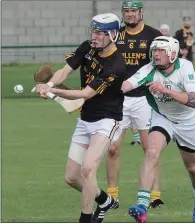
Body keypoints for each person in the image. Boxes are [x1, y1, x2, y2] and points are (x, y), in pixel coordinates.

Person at [35, 13, 127, 223]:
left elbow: (86, 93)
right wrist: (49, 85)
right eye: (93, 31)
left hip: (107, 120)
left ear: (113, 35)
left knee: (87, 170)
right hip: (86, 119)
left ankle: (86, 219)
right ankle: (104, 200)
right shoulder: (87, 47)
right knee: (72, 177)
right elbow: (65, 71)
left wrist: (53, 93)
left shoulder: (116, 65)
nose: (94, 37)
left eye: (100, 33)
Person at [122, 36, 195, 223]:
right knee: (151, 152)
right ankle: (142, 206)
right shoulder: (148, 69)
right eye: (154, 50)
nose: (156, 54)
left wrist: (165, 90)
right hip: (163, 118)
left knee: (193, 168)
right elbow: (125, 86)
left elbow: (194, 100)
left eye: (161, 50)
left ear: (172, 53)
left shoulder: (184, 67)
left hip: (187, 121)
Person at [102, 0, 164, 213]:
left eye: (133, 11)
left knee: (150, 149)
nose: (129, 15)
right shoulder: (115, 35)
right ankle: (112, 195)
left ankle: (155, 195)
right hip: (119, 99)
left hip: (144, 99)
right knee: (112, 148)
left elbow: (163, 62)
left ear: (141, 13)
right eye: (126, 11)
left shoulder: (154, 36)